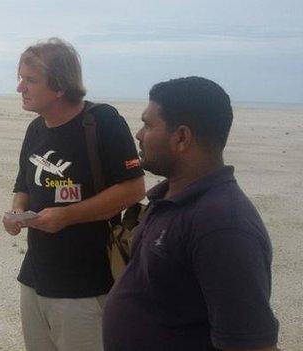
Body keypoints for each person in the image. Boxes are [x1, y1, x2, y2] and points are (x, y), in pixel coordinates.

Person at [102, 76, 279, 351]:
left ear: (181, 137)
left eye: (148, 125)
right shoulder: (170, 197)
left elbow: (252, 345)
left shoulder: (222, 225)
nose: (138, 135)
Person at [3, 38, 145, 351]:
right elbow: (23, 185)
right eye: (20, 79)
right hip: (35, 277)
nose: (20, 88)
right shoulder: (36, 129)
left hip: (85, 284)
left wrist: (67, 216)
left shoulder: (102, 122)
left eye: (30, 80)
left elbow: (134, 187)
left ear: (59, 86)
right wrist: (16, 213)